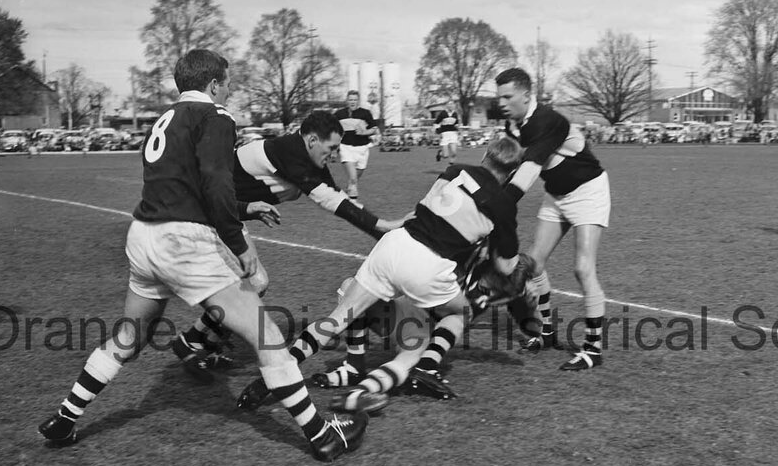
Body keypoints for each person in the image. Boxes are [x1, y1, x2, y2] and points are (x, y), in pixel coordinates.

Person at [37, 49, 371, 463]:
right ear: (214, 84)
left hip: (143, 236)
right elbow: (215, 183)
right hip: (184, 241)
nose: (229, 91)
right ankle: (322, 435)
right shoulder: (215, 116)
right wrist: (239, 243)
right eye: (227, 83)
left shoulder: (164, 118)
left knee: (129, 337)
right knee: (268, 338)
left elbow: (184, 185)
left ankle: (64, 417)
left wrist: (245, 208)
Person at [236, 136, 532, 413]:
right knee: (460, 313)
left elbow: (427, 208)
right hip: (428, 263)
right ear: (512, 171)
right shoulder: (503, 204)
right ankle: (393, 380)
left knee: (336, 319)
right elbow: (507, 267)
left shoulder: (456, 170)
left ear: (485, 155)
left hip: (395, 243)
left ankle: (273, 378)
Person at [170, 110, 406, 381]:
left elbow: (337, 195)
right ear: (312, 140)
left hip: (227, 215)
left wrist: (384, 233)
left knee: (253, 283)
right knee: (255, 282)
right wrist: (383, 226)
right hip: (207, 214)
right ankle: (192, 340)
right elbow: (330, 201)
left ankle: (201, 342)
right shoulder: (291, 153)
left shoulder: (303, 154)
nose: (334, 155)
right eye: (331, 148)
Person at [494, 67, 612, 371]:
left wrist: (497, 207)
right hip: (556, 194)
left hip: (587, 191)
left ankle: (593, 349)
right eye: (499, 97)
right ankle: (546, 333)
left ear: (526, 95)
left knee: (583, 268)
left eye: (508, 97)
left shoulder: (547, 120)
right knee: (534, 263)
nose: (502, 103)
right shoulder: (513, 126)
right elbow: (510, 167)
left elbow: (529, 170)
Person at [333, 90, 378, 200]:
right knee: (353, 178)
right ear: (347, 101)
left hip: (362, 149)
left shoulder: (365, 113)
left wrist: (364, 132)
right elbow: (332, 131)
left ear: (358, 101)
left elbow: (374, 129)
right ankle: (353, 204)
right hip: (346, 148)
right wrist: (333, 148)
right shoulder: (339, 114)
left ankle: (350, 190)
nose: (352, 102)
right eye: (350, 100)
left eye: (355, 100)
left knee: (355, 178)